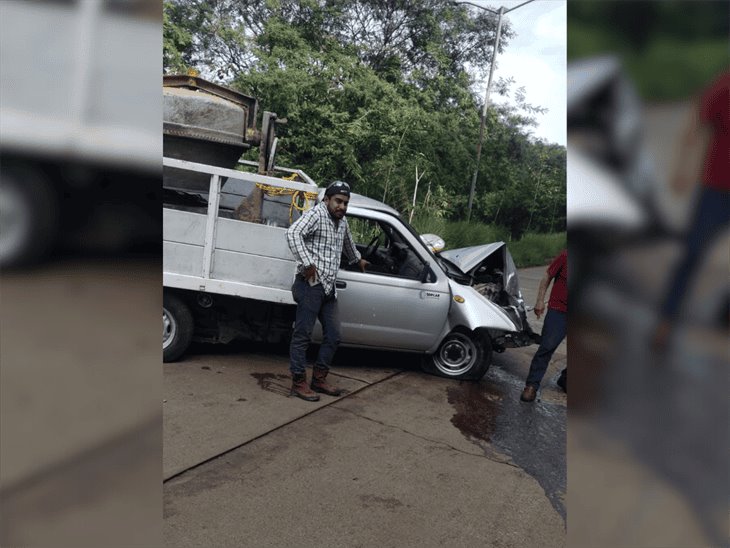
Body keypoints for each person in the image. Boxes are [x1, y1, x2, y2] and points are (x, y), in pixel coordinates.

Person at [652, 70, 729, 350]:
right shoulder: (725, 87)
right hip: (716, 191)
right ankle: (666, 320)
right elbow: (698, 124)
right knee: (692, 254)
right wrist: (682, 167)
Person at [285, 180, 368, 401]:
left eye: (345, 203)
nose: (341, 206)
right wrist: (307, 263)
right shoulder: (316, 215)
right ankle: (298, 382)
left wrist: (358, 260)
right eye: (338, 201)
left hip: (328, 288)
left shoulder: (342, 222)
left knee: (334, 335)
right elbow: (293, 234)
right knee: (302, 335)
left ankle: (319, 379)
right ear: (327, 199)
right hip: (310, 285)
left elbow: (348, 245)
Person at [521, 249, 567, 403]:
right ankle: (531, 385)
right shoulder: (566, 256)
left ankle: (566, 379)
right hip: (559, 311)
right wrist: (540, 300)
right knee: (547, 347)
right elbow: (548, 275)